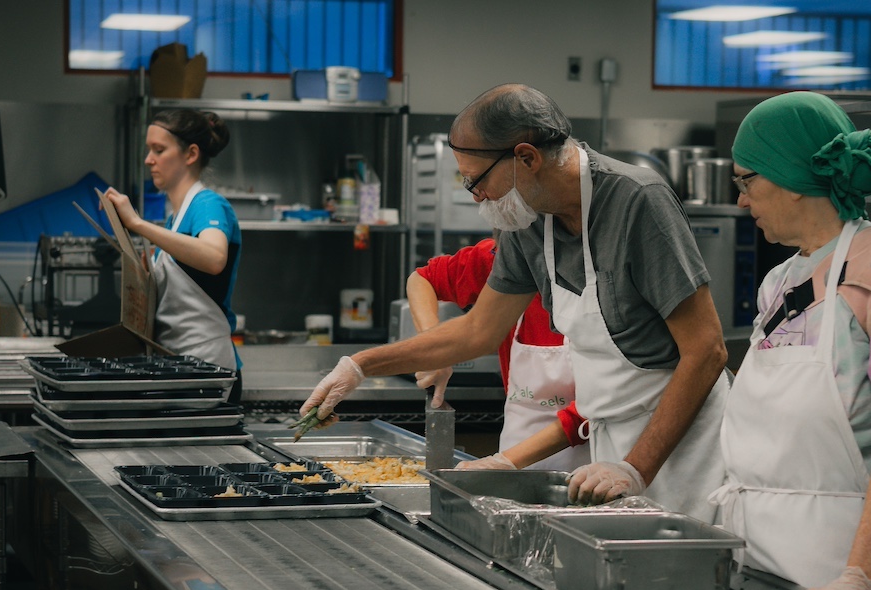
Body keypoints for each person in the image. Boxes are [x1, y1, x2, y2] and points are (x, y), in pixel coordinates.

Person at [302, 84, 729, 521]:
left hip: (680, 444)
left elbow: (707, 349)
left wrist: (636, 467)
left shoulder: (637, 201)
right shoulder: (528, 222)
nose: (476, 196)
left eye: (477, 180)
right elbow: (476, 331)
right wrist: (359, 367)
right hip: (610, 441)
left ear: (526, 157)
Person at [709, 91, 871, 590]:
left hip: (832, 557)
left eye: (747, 180)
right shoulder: (782, 280)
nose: (743, 201)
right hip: (751, 548)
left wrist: (860, 576)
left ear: (794, 177)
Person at [407, 237, 590, 471]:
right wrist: (434, 350)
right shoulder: (500, 258)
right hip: (516, 462)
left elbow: (594, 409)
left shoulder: (598, 275)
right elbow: (424, 279)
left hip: (593, 469)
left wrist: (504, 462)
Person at [103, 109, 244, 403]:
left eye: (159, 150)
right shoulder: (174, 220)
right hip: (178, 365)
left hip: (207, 367)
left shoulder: (208, 205)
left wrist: (138, 224)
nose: (148, 160)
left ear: (190, 154)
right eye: (148, 150)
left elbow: (214, 257)